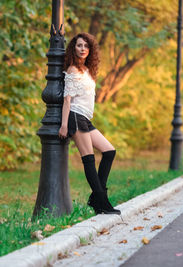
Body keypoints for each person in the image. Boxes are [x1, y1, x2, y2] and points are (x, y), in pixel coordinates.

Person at [58, 33, 120, 215]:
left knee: (109, 151)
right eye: (79, 45)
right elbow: (67, 100)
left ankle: (96, 198)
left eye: (86, 46)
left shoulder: (86, 70)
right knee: (89, 160)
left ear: (90, 49)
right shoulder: (72, 70)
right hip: (75, 117)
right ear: (73, 48)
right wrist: (64, 125)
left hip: (85, 118)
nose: (83, 48)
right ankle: (102, 202)